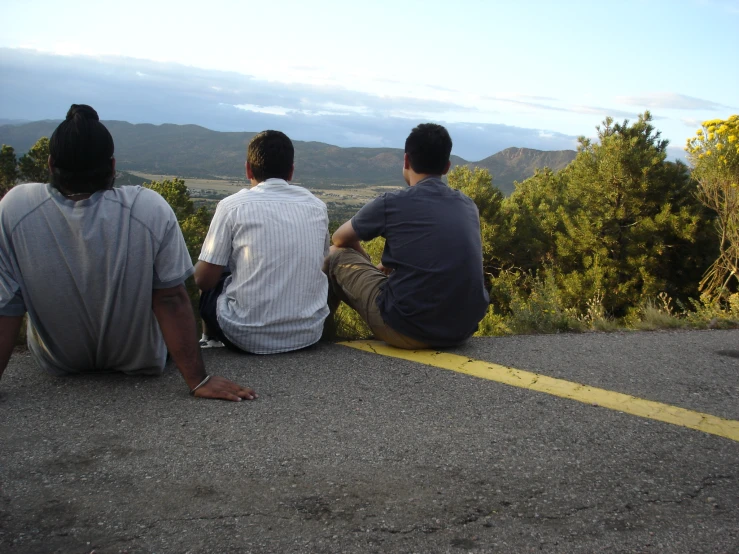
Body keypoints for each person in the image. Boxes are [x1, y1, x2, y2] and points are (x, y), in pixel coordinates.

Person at [0, 104, 255, 401]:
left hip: (59, 363)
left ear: (50, 164)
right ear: (112, 166)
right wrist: (198, 380)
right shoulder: (147, 207)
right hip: (143, 361)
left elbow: (6, 306)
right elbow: (170, 298)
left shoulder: (16, 208)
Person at [324, 123, 489, 349]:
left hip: (407, 329)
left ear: (406, 161)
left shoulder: (391, 202)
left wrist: (366, 261)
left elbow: (339, 238)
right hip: (462, 331)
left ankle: (322, 335)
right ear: (447, 167)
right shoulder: (468, 205)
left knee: (335, 255)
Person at [195, 130, 329, 354]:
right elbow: (321, 261)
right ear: (291, 171)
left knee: (213, 265)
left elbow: (203, 280)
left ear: (248, 168)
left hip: (244, 336)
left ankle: (209, 339)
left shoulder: (231, 206)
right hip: (309, 333)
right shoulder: (317, 206)